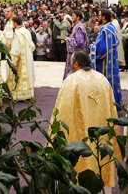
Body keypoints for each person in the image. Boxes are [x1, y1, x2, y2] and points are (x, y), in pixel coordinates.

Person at [52, 50, 121, 191]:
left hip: (80, 137)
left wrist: (54, 137)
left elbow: (62, 111)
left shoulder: (71, 81)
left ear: (76, 64)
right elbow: (113, 110)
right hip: (100, 137)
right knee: (100, 161)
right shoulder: (103, 79)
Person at [90, 9, 122, 106]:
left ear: (103, 17)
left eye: (99, 15)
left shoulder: (105, 30)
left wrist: (92, 47)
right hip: (112, 60)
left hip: (104, 63)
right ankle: (114, 103)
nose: (98, 17)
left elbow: (102, 49)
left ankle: (105, 105)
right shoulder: (111, 27)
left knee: (104, 82)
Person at [9, 16, 35, 100]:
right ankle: (28, 94)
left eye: (13, 23)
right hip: (28, 57)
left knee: (20, 75)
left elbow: (16, 50)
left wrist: (12, 61)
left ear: (15, 23)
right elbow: (32, 45)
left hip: (21, 59)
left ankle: (20, 96)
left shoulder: (17, 33)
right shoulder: (26, 31)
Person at [64, 10, 88, 78]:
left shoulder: (79, 27)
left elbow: (80, 42)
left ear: (78, 17)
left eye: (73, 15)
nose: (72, 17)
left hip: (77, 55)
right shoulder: (77, 26)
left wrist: (68, 40)